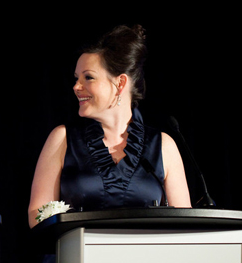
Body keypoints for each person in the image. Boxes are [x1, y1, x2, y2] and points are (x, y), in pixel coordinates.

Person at [28, 24, 191, 228]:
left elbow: (185, 224)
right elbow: (37, 215)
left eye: (88, 77)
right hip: (78, 257)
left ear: (120, 83)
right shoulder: (62, 139)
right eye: (76, 78)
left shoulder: (163, 145)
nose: (76, 86)